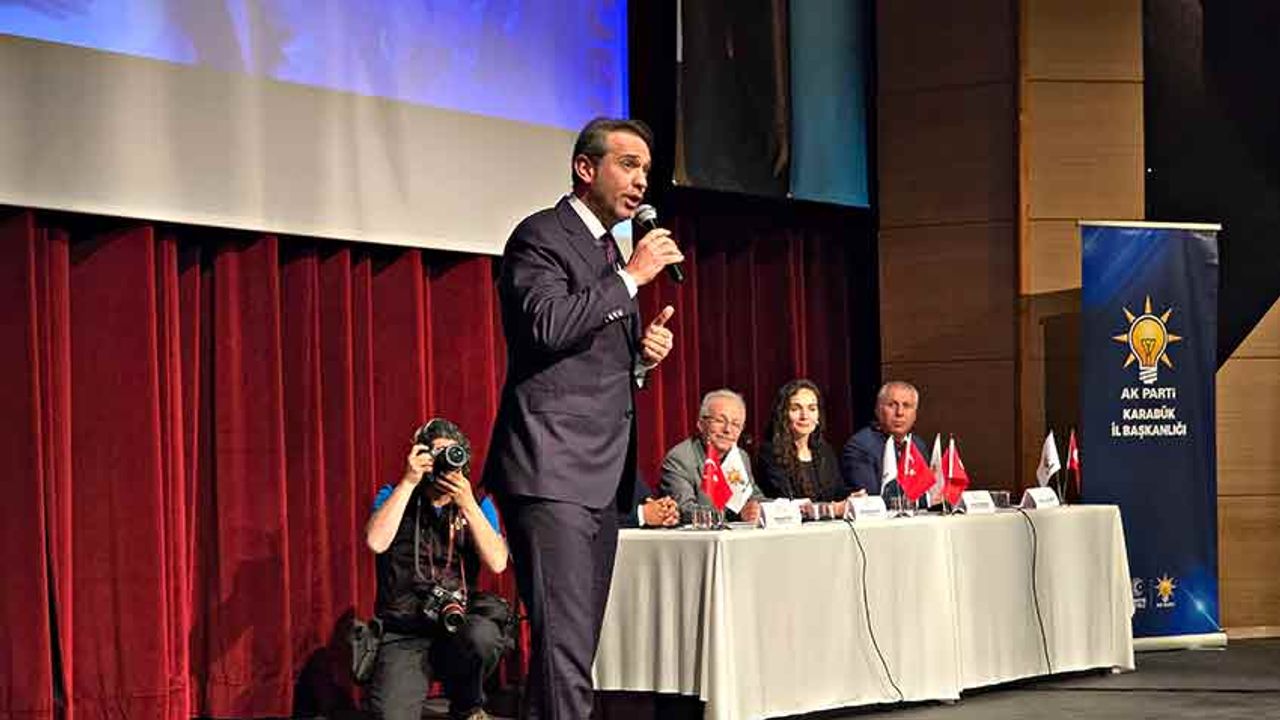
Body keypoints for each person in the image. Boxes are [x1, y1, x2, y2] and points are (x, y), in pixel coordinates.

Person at [482, 116, 683, 719]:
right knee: (566, 652)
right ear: (586, 168)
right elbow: (545, 327)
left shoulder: (609, 252)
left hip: (601, 475)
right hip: (551, 467)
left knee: (570, 651)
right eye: (628, 164)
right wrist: (632, 277)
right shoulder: (540, 236)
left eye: (646, 169)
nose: (641, 180)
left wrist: (640, 359)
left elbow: (582, 358)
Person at [364, 418, 512, 720]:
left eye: (452, 454)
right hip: (405, 630)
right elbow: (376, 542)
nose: (444, 463)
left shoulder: (477, 504)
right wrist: (409, 482)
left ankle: (467, 706)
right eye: (436, 454)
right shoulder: (395, 494)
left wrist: (467, 503)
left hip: (457, 624)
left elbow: (497, 562)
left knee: (482, 636)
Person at [660, 388, 763, 524]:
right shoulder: (680, 458)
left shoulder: (741, 457)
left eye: (736, 424)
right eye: (720, 420)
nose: (727, 430)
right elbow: (684, 511)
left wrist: (763, 508)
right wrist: (738, 514)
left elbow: (755, 497)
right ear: (701, 424)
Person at [757, 379, 853, 515]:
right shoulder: (770, 453)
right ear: (783, 414)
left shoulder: (825, 451)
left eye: (812, 409)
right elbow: (787, 503)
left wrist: (852, 498)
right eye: (795, 409)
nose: (805, 416)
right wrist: (831, 509)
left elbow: (837, 493)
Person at [840, 381, 931, 499]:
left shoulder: (918, 445)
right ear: (877, 410)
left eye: (906, 406)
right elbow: (871, 499)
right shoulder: (860, 446)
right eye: (892, 405)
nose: (900, 413)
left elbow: (925, 493)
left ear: (915, 414)